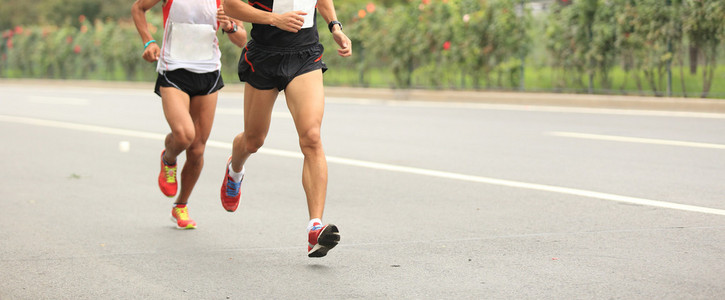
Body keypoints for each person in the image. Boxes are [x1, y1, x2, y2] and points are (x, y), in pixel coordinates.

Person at [219, 0, 351, 257]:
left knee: (311, 137)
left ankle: (315, 227)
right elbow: (231, 6)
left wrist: (334, 25)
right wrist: (273, 19)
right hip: (264, 56)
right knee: (253, 140)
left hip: (305, 54)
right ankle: (234, 169)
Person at [131, 0, 247, 229]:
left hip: (208, 72)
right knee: (184, 135)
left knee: (197, 149)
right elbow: (138, 8)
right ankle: (169, 158)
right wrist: (149, 41)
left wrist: (230, 27)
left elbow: (242, 39)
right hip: (173, 70)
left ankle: (181, 205)